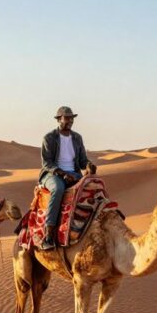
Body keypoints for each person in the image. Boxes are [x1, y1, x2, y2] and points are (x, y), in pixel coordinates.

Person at [38, 106, 94, 250]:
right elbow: (47, 163)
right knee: (58, 189)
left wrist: (88, 166)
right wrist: (62, 173)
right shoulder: (49, 138)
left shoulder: (77, 138)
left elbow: (82, 161)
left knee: (94, 189)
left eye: (72, 118)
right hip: (52, 174)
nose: (70, 120)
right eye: (67, 117)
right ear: (59, 119)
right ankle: (49, 234)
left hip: (74, 174)